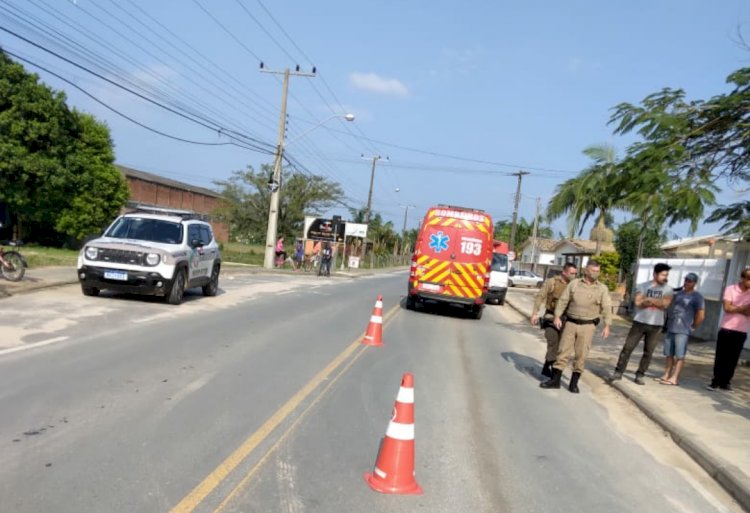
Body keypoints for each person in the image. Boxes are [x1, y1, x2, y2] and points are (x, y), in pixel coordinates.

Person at [540, 260, 611, 393]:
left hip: (588, 325)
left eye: (598, 271)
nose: (596, 273)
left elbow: (606, 307)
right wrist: (557, 316)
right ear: (586, 270)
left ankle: (574, 383)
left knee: (581, 354)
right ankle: (555, 380)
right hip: (571, 323)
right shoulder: (574, 284)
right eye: (593, 271)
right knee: (562, 351)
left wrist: (607, 325)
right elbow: (563, 301)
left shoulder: (602, 288)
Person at [611, 263, 674, 385]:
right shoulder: (643, 286)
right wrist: (655, 302)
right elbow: (638, 302)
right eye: (663, 275)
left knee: (648, 352)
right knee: (628, 348)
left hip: (656, 325)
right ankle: (618, 372)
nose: (665, 277)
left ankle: (640, 374)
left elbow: (665, 304)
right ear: (655, 274)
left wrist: (649, 300)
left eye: (666, 275)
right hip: (639, 322)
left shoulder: (668, 289)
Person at [706, 267, 750, 392]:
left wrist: (736, 307)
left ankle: (726, 382)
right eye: (749, 279)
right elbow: (727, 308)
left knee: (733, 358)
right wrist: (744, 308)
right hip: (727, 328)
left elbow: (748, 312)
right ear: (743, 278)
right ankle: (716, 382)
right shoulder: (731, 289)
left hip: (741, 330)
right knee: (721, 357)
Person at [531, 262, 578, 378]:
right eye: (571, 273)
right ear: (564, 272)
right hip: (551, 317)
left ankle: (550, 365)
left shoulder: (575, 285)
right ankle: (550, 366)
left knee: (563, 347)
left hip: (567, 319)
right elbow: (540, 296)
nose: (574, 276)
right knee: (553, 342)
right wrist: (534, 313)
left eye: (575, 274)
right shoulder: (552, 282)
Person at [658, 273, 705, 386]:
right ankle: (666, 374)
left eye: (690, 281)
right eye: (686, 280)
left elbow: (701, 315)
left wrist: (693, 327)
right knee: (669, 353)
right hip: (671, 327)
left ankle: (674, 378)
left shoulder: (697, 297)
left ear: (694, 283)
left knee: (680, 355)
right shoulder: (679, 293)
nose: (687, 283)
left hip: (683, 329)